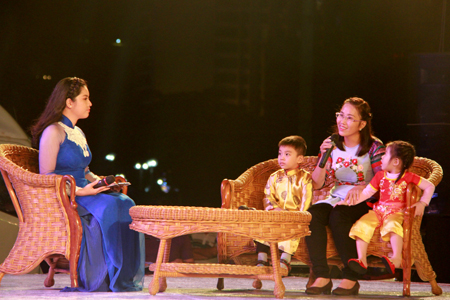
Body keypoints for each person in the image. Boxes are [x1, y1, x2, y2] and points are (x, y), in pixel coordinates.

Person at [30, 77, 145, 292]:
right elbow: (47, 177)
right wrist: (80, 190)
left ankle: (122, 276)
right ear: (69, 102)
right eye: (85, 98)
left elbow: (85, 171)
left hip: (85, 191)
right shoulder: (53, 131)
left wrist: (103, 182)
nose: (90, 103)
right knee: (110, 206)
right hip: (67, 196)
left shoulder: (78, 132)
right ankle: (103, 276)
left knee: (127, 203)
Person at [304, 97, 386, 295]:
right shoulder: (332, 144)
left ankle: (351, 277)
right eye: (341, 115)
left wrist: (364, 187)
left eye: (349, 117)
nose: (342, 121)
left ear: (362, 123)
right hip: (337, 196)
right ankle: (322, 276)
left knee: (338, 216)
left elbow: (384, 180)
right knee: (311, 216)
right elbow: (317, 184)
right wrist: (322, 159)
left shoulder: (374, 147)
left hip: (366, 198)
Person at [345, 141, 434, 275]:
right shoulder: (380, 176)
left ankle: (396, 258)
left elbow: (429, 186)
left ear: (396, 161)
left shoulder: (409, 177)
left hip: (396, 212)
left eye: (385, 154)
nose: (382, 157)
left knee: (392, 225)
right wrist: (347, 203)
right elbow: (367, 193)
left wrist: (422, 203)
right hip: (378, 210)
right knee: (362, 224)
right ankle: (361, 259)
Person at [254, 135, 313, 271]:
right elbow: (268, 196)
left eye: (287, 154)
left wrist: (299, 217)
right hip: (275, 215)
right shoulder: (274, 177)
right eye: (280, 153)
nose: (281, 157)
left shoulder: (305, 178)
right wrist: (274, 209)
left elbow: (306, 201)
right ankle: (261, 259)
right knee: (262, 224)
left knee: (293, 231)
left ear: (299, 158)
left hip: (295, 218)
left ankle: (284, 260)